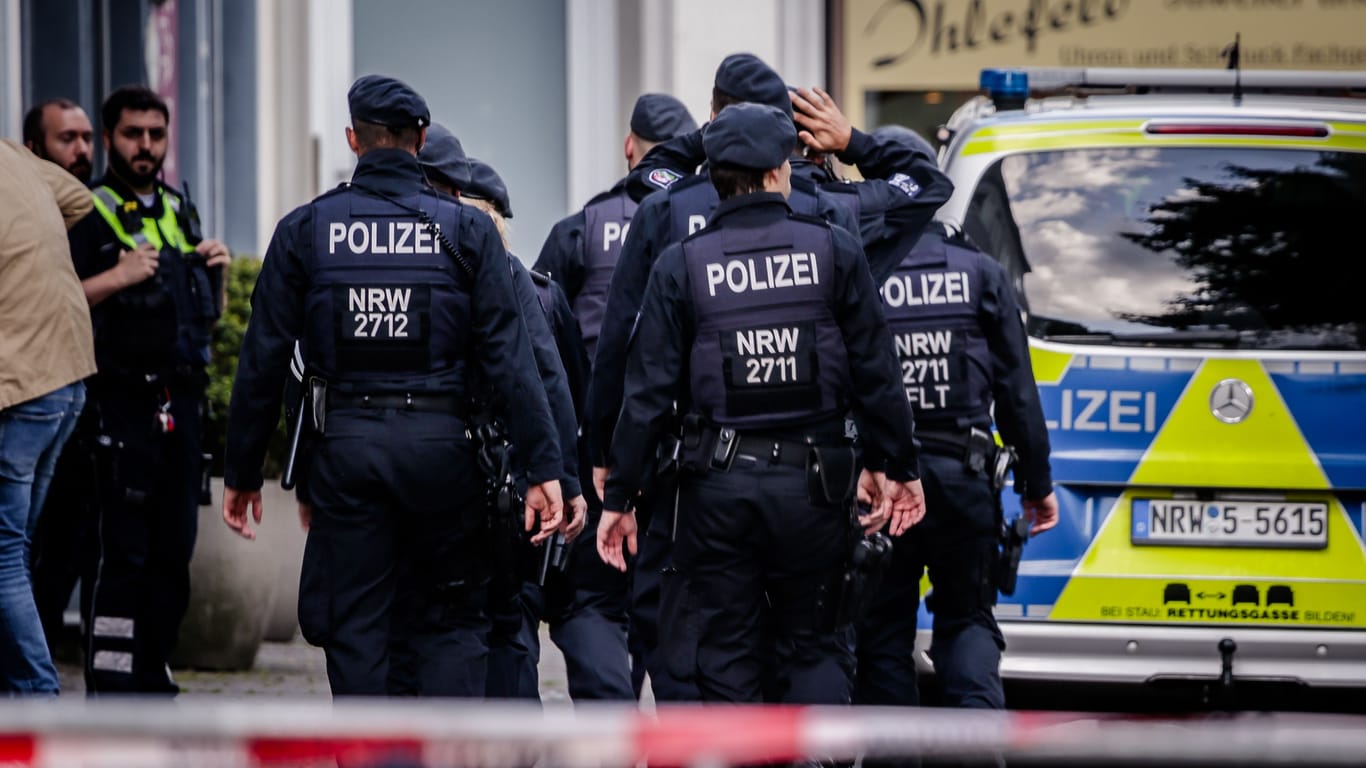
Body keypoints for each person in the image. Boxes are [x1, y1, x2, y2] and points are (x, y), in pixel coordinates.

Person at [221, 76, 565, 698]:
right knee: (452, 621)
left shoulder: (305, 230)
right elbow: (511, 359)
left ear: (354, 139)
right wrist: (545, 469)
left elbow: (264, 358)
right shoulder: (468, 232)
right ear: (421, 141)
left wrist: (243, 471)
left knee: (356, 625)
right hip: (445, 456)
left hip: (347, 454)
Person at [596, 103, 926, 704]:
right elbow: (877, 371)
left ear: (714, 176)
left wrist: (621, 495)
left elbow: (646, 393)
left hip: (716, 493)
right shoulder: (834, 249)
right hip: (817, 490)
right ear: (780, 171)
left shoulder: (683, 264)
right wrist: (898, 467)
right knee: (817, 643)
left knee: (726, 648)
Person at [853, 125, 1059, 710]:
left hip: (882, 487)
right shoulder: (981, 272)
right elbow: (1018, 392)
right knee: (966, 621)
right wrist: (1036, 487)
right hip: (964, 480)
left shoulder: (858, 269)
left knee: (882, 635)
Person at [63, 84, 231, 694]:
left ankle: (154, 678)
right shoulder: (85, 211)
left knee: (174, 553)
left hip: (179, 408)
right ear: (110, 138)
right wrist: (118, 275)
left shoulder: (180, 210)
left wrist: (211, 265)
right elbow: (55, 305)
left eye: (156, 134)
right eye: (133, 134)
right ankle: (111, 692)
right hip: (120, 408)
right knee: (120, 556)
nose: (146, 146)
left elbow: (194, 316)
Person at [533, 91, 695, 699]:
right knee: (679, 608)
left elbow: (539, 336)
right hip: (687, 455)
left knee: (594, 605)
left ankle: (610, 735)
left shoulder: (579, 230)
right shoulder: (707, 219)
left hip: (595, 453)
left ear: (630, 148)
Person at [0, 138, 95, 694]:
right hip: (65, 379)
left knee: (4, 557)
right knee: (15, 551)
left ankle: (39, 698)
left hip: (21, 385)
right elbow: (81, 200)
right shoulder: (14, 156)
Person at [23, 97, 95, 184]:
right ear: (33, 150)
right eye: (67, 139)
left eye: (87, 138)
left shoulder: (101, 196)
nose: (83, 149)